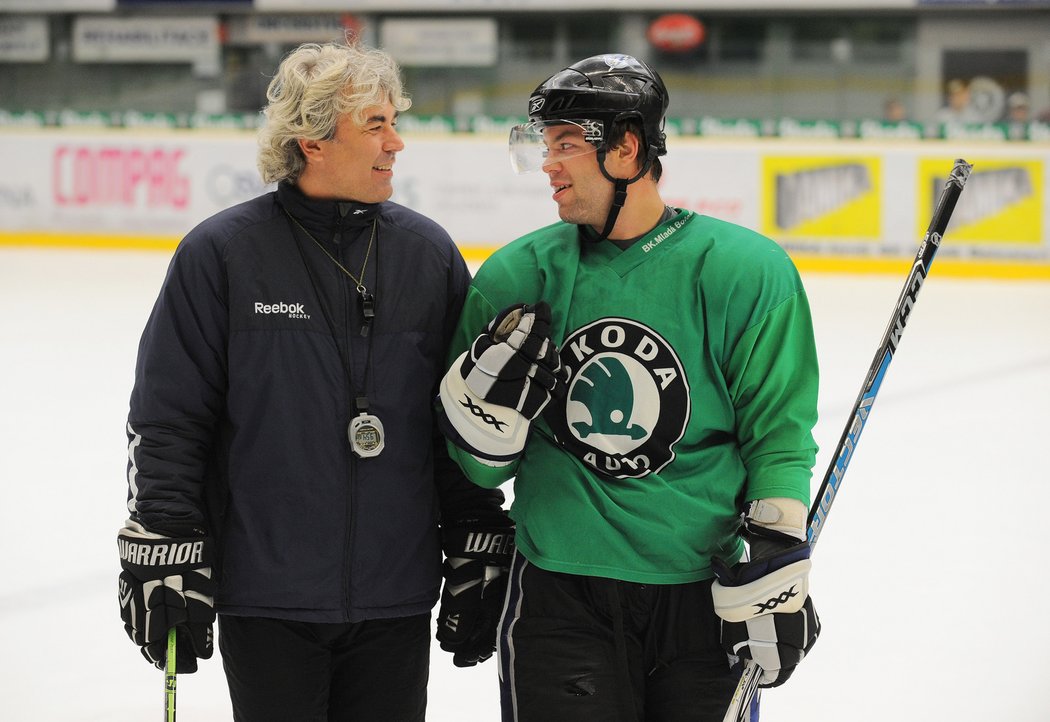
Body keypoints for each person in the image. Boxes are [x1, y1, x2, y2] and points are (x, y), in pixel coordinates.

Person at [116, 39, 512, 720]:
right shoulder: (223, 255)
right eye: (376, 124)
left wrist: (475, 533)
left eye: (395, 120)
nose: (398, 142)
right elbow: (170, 416)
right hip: (267, 593)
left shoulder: (427, 256)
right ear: (313, 141)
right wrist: (165, 538)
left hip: (394, 594)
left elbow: (458, 419)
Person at [436, 53, 821, 721]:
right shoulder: (514, 278)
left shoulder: (745, 272)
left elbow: (779, 433)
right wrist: (479, 424)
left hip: (702, 593)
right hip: (559, 595)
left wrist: (778, 557)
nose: (549, 164)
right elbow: (477, 468)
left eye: (564, 145)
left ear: (626, 148)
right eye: (542, 145)